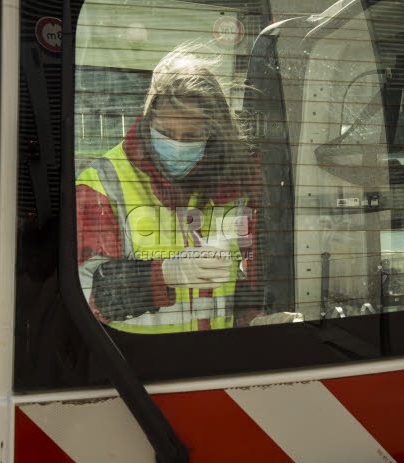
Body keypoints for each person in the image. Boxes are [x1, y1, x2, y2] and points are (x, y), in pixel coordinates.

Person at [75, 46, 266, 333]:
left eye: (191, 136)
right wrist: (162, 276)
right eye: (165, 133)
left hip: (214, 364)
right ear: (148, 119)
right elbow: (81, 294)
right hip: (137, 366)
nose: (177, 145)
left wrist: (255, 318)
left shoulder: (229, 188)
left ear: (212, 136)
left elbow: (234, 279)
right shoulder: (101, 186)